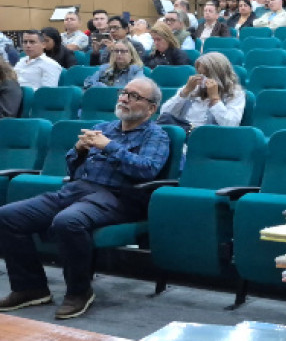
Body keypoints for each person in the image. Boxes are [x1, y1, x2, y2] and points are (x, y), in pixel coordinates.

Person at [0, 78, 168, 319]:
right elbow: (73, 168)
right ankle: (30, 287)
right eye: (124, 93)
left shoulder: (156, 135)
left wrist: (109, 147)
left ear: (151, 108)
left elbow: (147, 169)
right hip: (76, 189)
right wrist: (79, 150)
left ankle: (79, 291)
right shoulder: (105, 127)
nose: (124, 98)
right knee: (8, 216)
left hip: (118, 197)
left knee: (68, 221)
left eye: (134, 96)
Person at [159, 52, 245, 130]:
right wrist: (185, 92)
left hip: (210, 138)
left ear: (219, 76)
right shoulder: (193, 87)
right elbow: (164, 113)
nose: (203, 79)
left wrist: (215, 99)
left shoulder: (234, 93)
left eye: (207, 75)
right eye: (200, 74)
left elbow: (230, 125)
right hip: (184, 132)